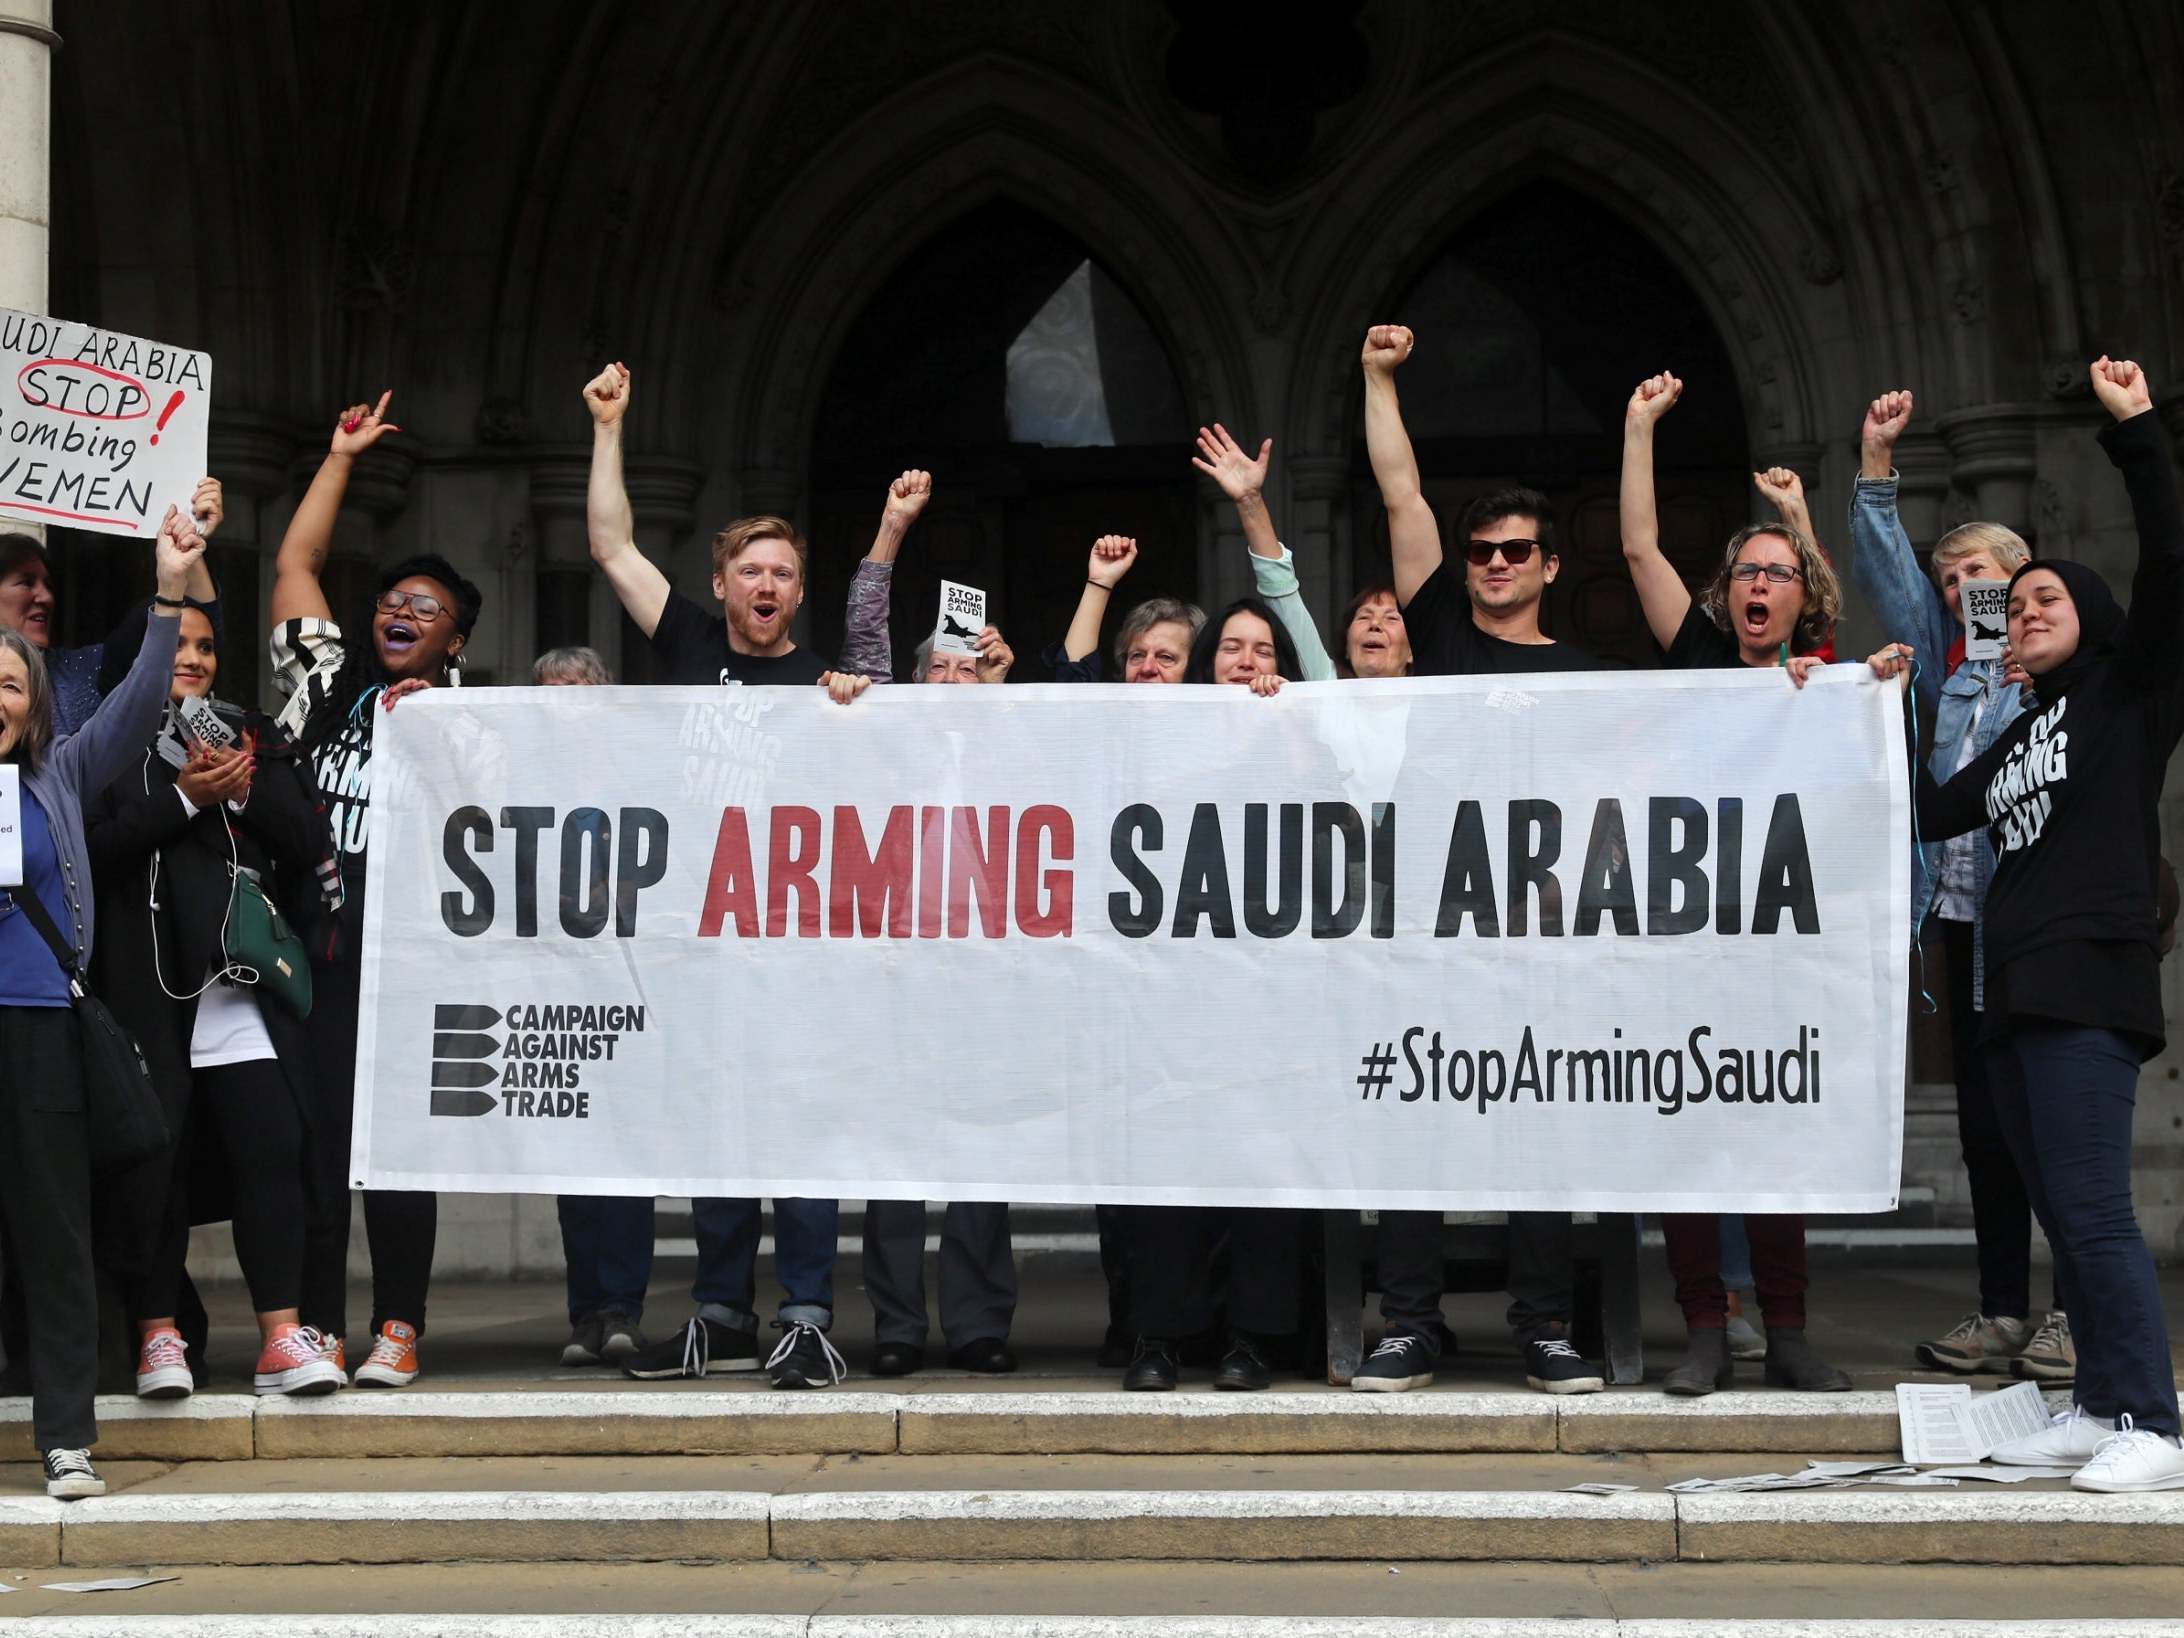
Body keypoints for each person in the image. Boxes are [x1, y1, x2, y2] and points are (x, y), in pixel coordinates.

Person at [1885, 356, 2184, 1493]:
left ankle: (2151, 1423)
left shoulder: (2129, 693)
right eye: (2020, 604)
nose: (2026, 611)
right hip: (2007, 996)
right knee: (2058, 1204)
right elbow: (1925, 803)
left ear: (2095, 620)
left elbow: (2173, 560)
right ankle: (2096, 1399)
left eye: (2048, 596)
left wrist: (2136, 429)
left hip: (2087, 987)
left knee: (2096, 1209)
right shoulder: (2015, 735)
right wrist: (1861, 695)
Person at [582, 361, 879, 1390]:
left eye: (783, 575)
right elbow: (612, 546)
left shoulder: (826, 681)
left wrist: (857, 705)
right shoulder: (688, 644)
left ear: (802, 591)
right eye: (750, 571)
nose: (765, 587)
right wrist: (611, 426)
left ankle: (802, 1313)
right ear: (720, 587)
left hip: (799, 943)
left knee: (795, 1122)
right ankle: (719, 1311)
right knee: (714, 1118)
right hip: (699, 935)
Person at [1348, 323, 1605, 1399]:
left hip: (1537, 929)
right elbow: (1403, 491)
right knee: (1416, 1115)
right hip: (1427, 918)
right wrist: (1378, 378)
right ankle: (1409, 1323)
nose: (1493, 565)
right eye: (1481, 551)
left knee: (1537, 1121)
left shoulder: (1587, 670)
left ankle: (1544, 1325)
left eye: (1515, 552)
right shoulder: (1442, 622)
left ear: (1549, 564)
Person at [1619, 367, 1852, 1395]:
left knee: (1774, 1133)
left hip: (1785, 949)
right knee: (1694, 1131)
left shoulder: (1829, 685)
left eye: (1779, 574)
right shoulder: (1699, 657)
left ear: (1804, 598)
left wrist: (1803, 521)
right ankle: (1705, 1330)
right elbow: (1636, 547)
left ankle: (1787, 1329)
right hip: (1689, 942)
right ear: (1727, 595)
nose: (1759, 587)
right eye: (1746, 574)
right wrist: (1638, 429)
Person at [1848, 391, 2070, 1383]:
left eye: (1976, 575)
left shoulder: (2064, 676)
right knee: (1987, 1131)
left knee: (2056, 1124)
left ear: (2028, 581)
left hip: (2042, 928)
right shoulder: (1954, 676)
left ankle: (2075, 1312)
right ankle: (1999, 1312)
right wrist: (1876, 468)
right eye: (1951, 583)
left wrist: (2039, 677)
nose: (1957, 593)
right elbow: (1893, 583)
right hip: (1967, 924)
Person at [275, 390, 483, 1392]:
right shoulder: (327, 686)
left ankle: (399, 1326)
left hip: (410, 963)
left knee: (399, 1145)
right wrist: (340, 456)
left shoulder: (475, 717)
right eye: (393, 602)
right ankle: (314, 1329)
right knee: (315, 1147)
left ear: (454, 641)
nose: (402, 613)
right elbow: (294, 567)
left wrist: (442, 726)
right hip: (313, 953)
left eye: (427, 610)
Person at [86, 603, 337, 1401]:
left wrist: (238, 788)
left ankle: (279, 1337)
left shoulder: (249, 735)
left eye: (205, 646)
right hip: (147, 996)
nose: (193, 658)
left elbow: (307, 840)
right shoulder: (103, 747)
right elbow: (91, 852)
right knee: (155, 1168)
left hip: (239, 995)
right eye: (176, 646)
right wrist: (186, 798)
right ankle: (159, 1337)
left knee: (271, 1153)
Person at [0, 505, 201, 1498]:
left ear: (34, 705)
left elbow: (135, 704)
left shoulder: (61, 774)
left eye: (8, 683)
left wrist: (167, 594)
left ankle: (66, 1437)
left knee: (54, 1233)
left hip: (39, 1031)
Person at [1121, 598, 1302, 1392]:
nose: (1245, 660)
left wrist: (1288, 727)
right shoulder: (1158, 739)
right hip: (1170, 991)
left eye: (1261, 648)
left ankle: (1253, 1339)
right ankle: (1160, 1337)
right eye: (1231, 646)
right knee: (1169, 1169)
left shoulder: (1300, 733)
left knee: (1262, 1164)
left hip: (1269, 994)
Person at [526, 645, 658, 1367]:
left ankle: (623, 1309)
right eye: (549, 691)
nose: (563, 703)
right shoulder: (517, 776)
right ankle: (588, 1313)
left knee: (625, 1153)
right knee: (574, 1157)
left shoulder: (631, 772)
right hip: (554, 985)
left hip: (624, 982)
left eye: (577, 690)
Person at [0, 478, 224, 735]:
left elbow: (194, 621)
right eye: (27, 583)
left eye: (48, 584)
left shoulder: (77, 674)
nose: (46, 597)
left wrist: (187, 538)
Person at [1046, 535, 1201, 684]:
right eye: (1137, 655)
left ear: (1196, 668)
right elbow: (1072, 682)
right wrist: (1100, 581)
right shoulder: (1109, 711)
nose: (1147, 668)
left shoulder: (1218, 711)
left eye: (1166, 657)